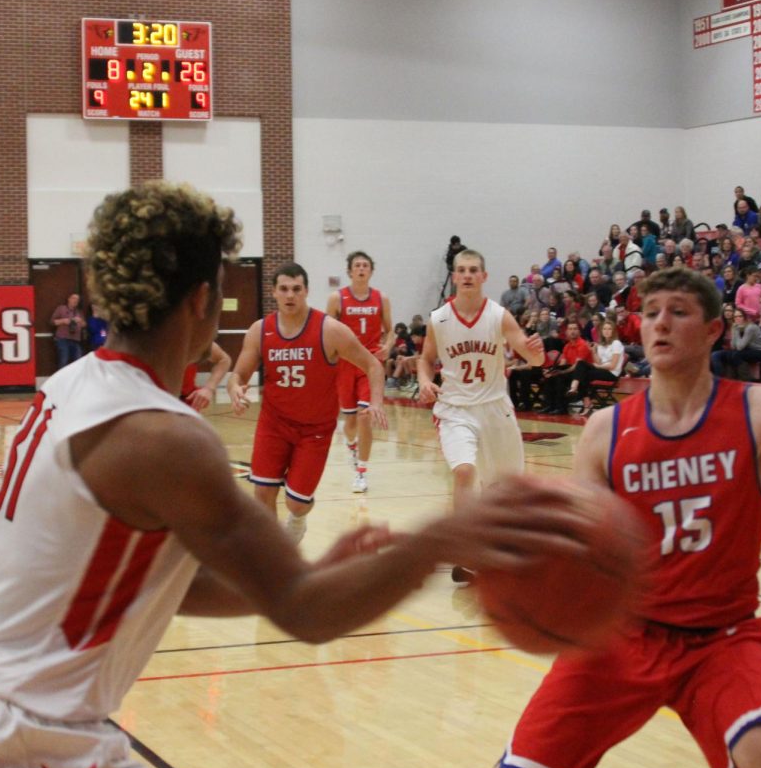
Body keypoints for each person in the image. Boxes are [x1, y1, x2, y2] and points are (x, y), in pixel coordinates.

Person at [0, 181, 603, 768]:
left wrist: (315, 571)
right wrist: (440, 539)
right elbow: (307, 612)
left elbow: (157, 584)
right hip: (32, 741)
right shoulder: (162, 438)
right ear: (203, 299)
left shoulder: (72, 386)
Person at [429, 267, 761, 768]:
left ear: (712, 330)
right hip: (619, 636)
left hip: (720, 639)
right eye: (651, 312)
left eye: (677, 311)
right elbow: (574, 544)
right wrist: (516, 566)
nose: (659, 323)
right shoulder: (607, 430)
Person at [230, 263, 386, 542]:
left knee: (296, 503)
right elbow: (239, 374)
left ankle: (298, 519)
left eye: (296, 289)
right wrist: (235, 388)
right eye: (284, 289)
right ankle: (274, 553)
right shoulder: (260, 330)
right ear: (274, 293)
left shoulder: (329, 330)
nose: (290, 295)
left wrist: (375, 402)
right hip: (274, 425)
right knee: (263, 492)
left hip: (314, 429)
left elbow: (373, 364)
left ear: (306, 292)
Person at [417, 248, 545, 583]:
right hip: (456, 409)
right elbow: (425, 358)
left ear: (484, 276)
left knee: (506, 488)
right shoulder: (439, 319)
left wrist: (535, 356)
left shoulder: (499, 316)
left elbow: (533, 360)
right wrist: (424, 380)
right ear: (455, 277)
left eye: (474, 270)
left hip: (495, 408)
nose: (468, 275)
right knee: (464, 471)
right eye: (462, 270)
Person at [326, 251, 393, 492]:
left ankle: (362, 472)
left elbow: (391, 330)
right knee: (351, 420)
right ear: (350, 271)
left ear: (371, 271)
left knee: (366, 416)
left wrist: (388, 345)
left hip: (371, 363)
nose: (361, 269)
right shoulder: (337, 298)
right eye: (357, 265)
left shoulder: (381, 298)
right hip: (345, 363)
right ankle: (351, 445)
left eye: (366, 265)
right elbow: (327, 329)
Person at [181, 340, 231, 411]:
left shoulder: (193, 338)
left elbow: (224, 360)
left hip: (185, 401)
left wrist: (209, 388)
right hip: (162, 400)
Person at [50, 292, 85, 369]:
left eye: (77, 299)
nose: (75, 300)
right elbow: (52, 322)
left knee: (78, 360)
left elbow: (84, 325)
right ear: (68, 299)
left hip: (75, 339)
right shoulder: (61, 308)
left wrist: (80, 321)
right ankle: (61, 379)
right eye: (73, 298)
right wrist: (63, 321)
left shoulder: (79, 312)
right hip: (63, 339)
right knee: (63, 360)